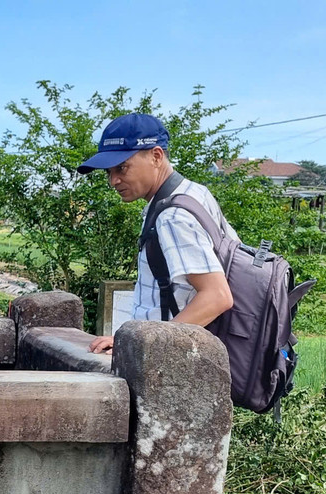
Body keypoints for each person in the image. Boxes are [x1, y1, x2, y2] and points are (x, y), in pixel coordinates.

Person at [77, 113, 234, 354]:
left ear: (156, 156)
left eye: (122, 167)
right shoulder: (194, 193)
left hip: (175, 365)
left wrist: (146, 348)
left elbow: (217, 296)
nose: (113, 180)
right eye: (109, 172)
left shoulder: (173, 216)